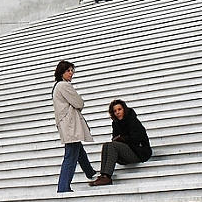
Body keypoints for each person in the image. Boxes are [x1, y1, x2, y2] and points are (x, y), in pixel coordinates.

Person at [52, 60, 97, 193]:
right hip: (70, 124)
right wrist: (80, 102)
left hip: (66, 123)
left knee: (78, 149)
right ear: (61, 73)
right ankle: (63, 187)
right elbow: (79, 103)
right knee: (71, 155)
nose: (71, 73)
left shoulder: (57, 86)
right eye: (68, 71)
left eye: (72, 70)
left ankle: (90, 172)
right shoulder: (64, 86)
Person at [89, 99, 152, 186]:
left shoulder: (133, 121)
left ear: (124, 109)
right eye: (115, 111)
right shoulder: (116, 124)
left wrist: (123, 139)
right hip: (125, 152)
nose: (117, 112)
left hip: (139, 152)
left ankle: (107, 176)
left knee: (112, 146)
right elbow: (114, 139)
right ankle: (103, 175)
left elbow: (136, 139)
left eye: (119, 109)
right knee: (107, 145)